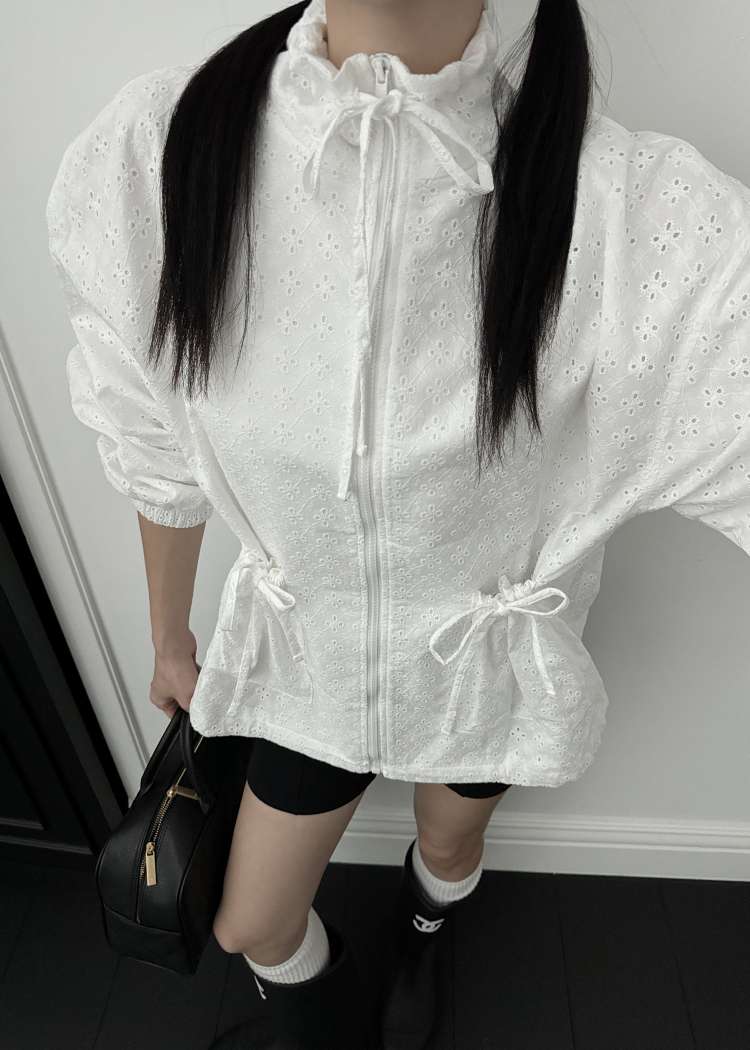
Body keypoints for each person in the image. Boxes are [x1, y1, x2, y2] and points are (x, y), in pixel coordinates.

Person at [46, 0, 750, 1047]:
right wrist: (168, 637)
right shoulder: (164, 153)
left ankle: (423, 936)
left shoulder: (628, 216)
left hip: (485, 669)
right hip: (312, 667)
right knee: (251, 921)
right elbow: (154, 440)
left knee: (450, 845)